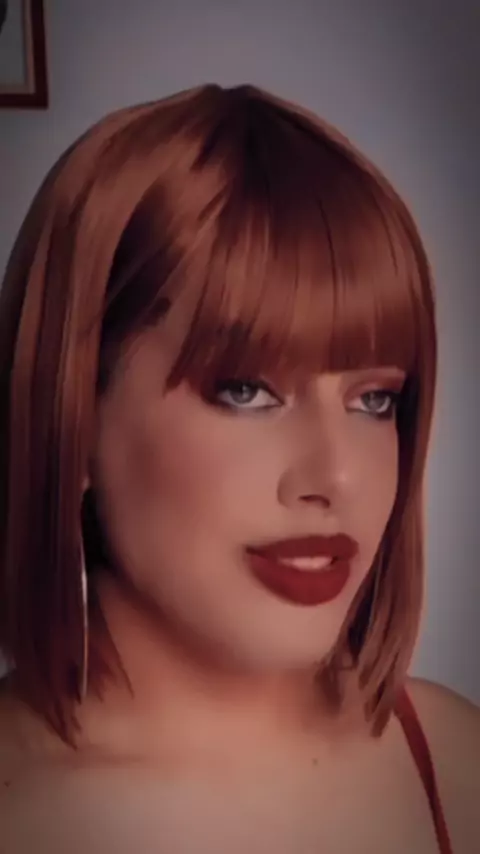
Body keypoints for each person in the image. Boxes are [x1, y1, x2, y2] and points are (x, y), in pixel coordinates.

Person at [0, 82, 477, 853]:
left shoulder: (457, 762)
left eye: (374, 400)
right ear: (74, 418)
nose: (338, 477)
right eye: (246, 390)